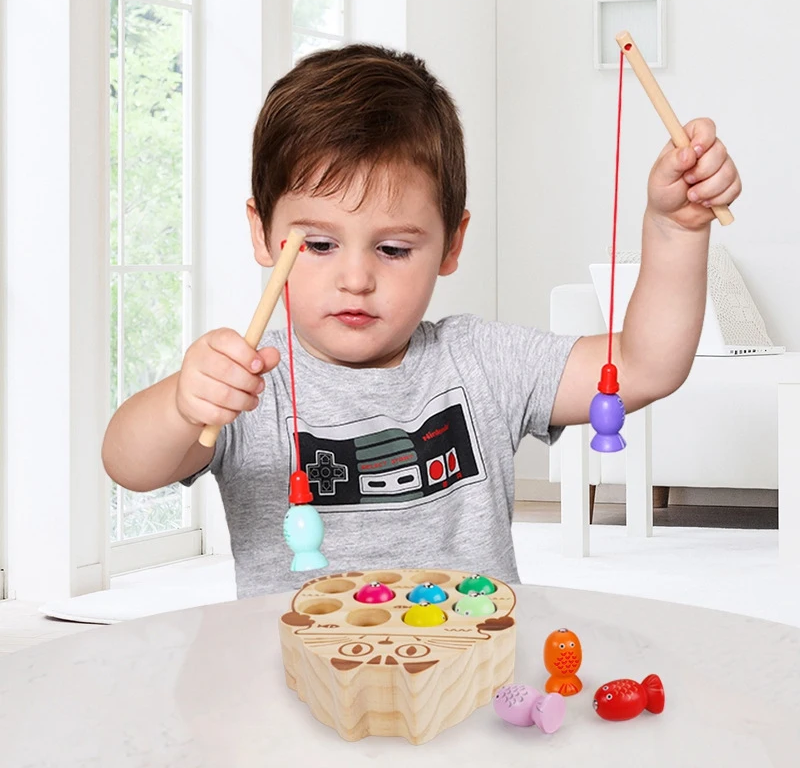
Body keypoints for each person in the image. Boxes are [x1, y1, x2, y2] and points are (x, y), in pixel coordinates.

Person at [102, 44, 741, 597]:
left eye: (394, 249)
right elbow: (128, 464)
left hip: (466, 678)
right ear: (263, 234)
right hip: (304, 684)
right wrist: (184, 405)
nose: (356, 278)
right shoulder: (245, 381)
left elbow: (644, 364)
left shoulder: (482, 363)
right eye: (319, 245)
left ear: (451, 244)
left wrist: (675, 230)